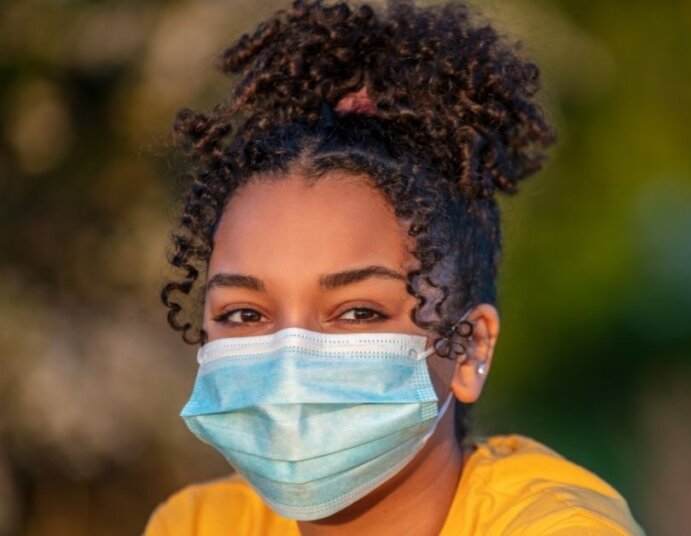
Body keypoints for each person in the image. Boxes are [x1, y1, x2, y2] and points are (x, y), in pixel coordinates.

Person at [144, 1, 644, 534]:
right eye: (244, 314)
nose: (289, 364)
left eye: (358, 312)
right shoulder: (198, 524)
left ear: (471, 347)